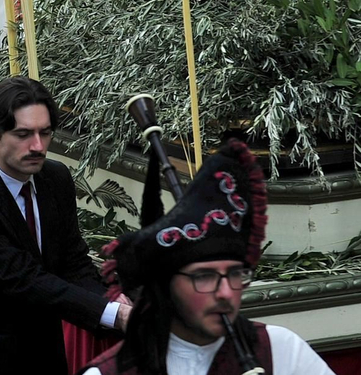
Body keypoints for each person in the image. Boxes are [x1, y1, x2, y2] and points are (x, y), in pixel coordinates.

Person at [84, 140, 334, 375]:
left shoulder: (281, 351)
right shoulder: (111, 371)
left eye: (235, 274)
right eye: (204, 276)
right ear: (166, 285)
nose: (226, 293)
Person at [0, 76, 120, 374]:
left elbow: (72, 260)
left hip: (45, 350)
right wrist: (114, 314)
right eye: (23, 134)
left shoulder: (55, 178)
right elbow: (24, 280)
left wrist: (113, 298)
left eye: (45, 133)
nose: (38, 146)